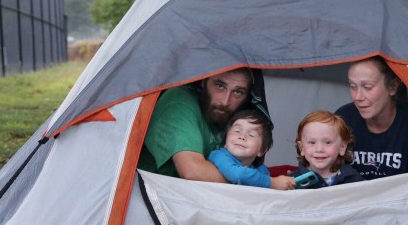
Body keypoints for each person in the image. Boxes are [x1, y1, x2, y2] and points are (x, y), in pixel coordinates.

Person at [138, 68, 270, 182]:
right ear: (203, 81)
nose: (225, 101)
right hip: (154, 203)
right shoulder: (178, 103)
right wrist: (258, 182)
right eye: (219, 86)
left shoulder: (240, 115)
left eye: (238, 92)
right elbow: (192, 171)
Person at [335, 56, 408, 180]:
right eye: (353, 87)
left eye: (367, 87)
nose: (358, 97)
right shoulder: (343, 119)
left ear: (392, 87)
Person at [207, 109, 296, 190]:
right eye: (237, 131)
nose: (242, 136)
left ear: (261, 150)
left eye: (251, 135)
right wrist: (272, 183)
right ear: (225, 142)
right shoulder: (218, 156)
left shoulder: (261, 170)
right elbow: (238, 175)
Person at [289, 110, 363, 188]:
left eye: (328, 142)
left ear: (342, 147)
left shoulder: (353, 179)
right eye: (312, 142)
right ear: (301, 148)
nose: (319, 149)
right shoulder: (292, 182)